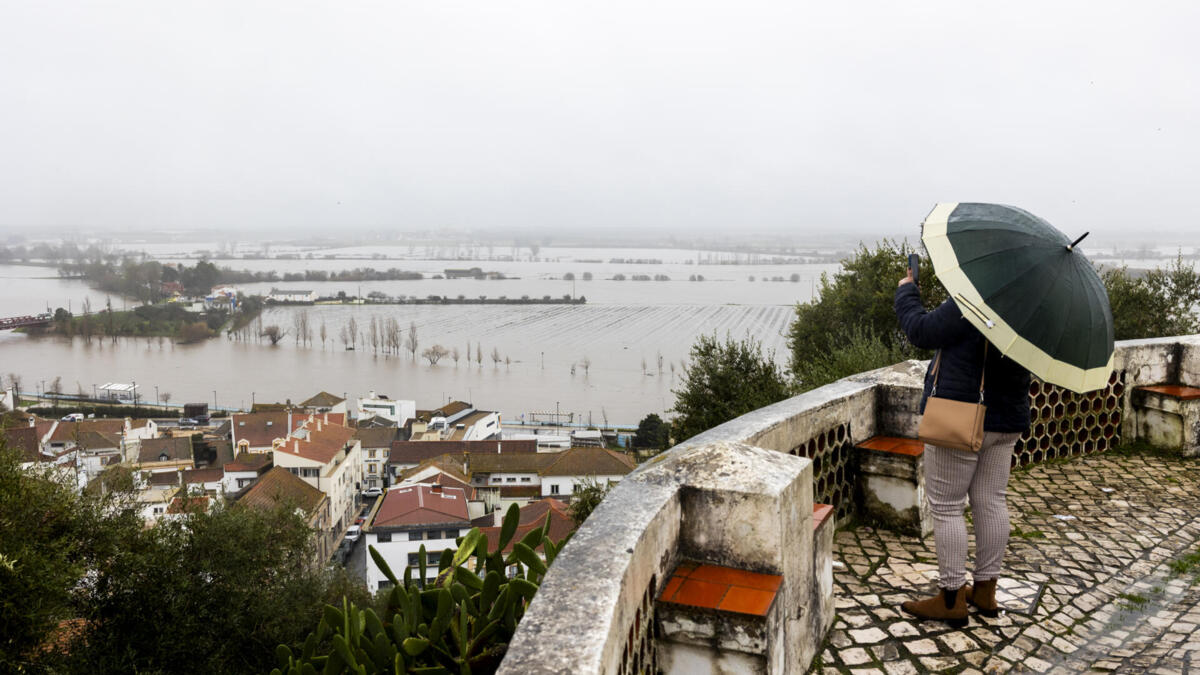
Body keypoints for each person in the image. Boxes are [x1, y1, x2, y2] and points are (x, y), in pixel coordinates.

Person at [894, 266, 1031, 626]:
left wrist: (907, 292)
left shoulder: (979, 294)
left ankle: (951, 599)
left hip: (962, 415)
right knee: (991, 500)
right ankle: (985, 592)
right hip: (1008, 419)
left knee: (947, 506)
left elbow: (922, 331)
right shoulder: (1031, 309)